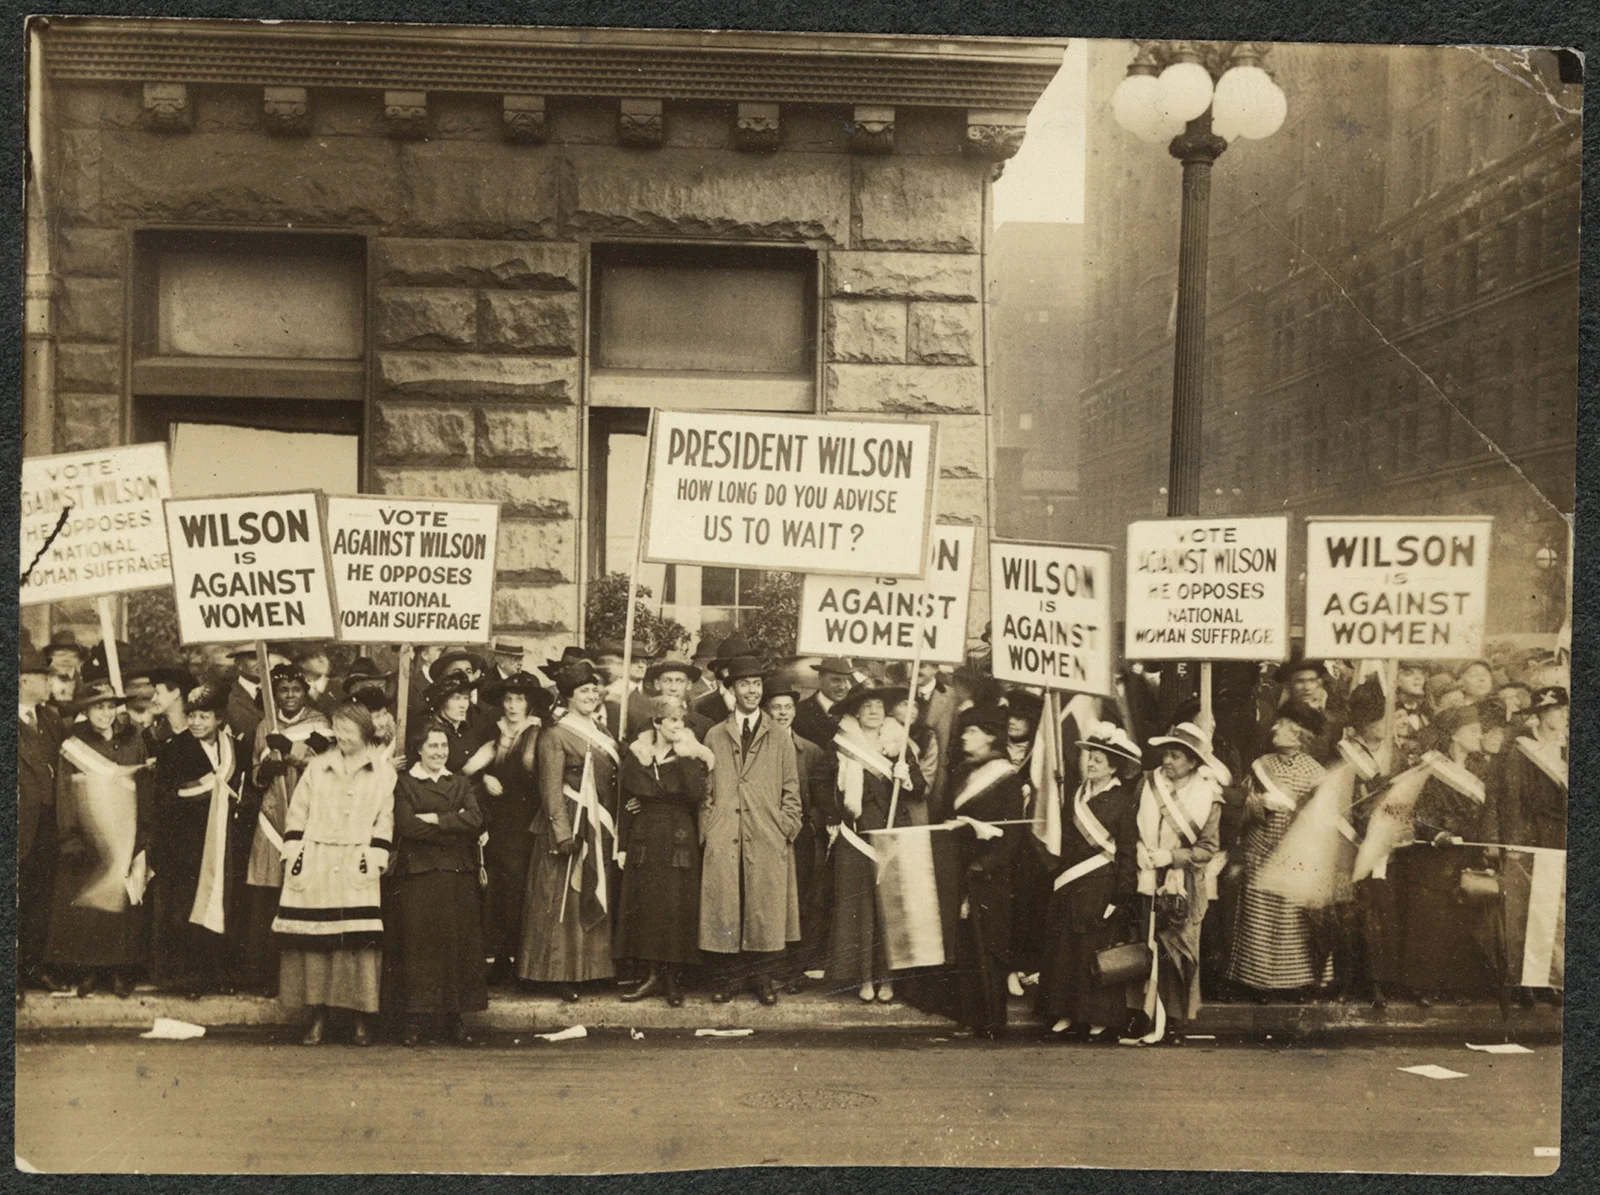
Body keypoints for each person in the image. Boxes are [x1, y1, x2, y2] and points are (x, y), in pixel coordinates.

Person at [272, 702, 397, 1047]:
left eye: (348, 729)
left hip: (357, 861)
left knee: (357, 945)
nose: (341, 736)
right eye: (337, 729)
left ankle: (361, 1018)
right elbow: (297, 813)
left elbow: (384, 818)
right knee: (316, 944)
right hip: (317, 859)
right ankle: (316, 1017)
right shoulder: (318, 766)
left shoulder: (384, 772)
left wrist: (375, 856)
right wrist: (293, 853)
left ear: (364, 731)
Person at [915, 701, 1027, 1038]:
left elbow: (1014, 833)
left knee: (988, 946)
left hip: (990, 871)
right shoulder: (962, 772)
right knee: (965, 945)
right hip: (960, 868)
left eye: (972, 731)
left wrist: (987, 860)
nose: (964, 736)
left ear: (990, 737)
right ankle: (969, 1016)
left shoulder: (1008, 778)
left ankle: (992, 1021)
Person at [700, 655, 803, 1005]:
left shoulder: (778, 735)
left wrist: (785, 828)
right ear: (730, 690)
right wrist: (709, 829)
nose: (752, 691)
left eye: (757, 684)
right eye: (744, 684)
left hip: (766, 834)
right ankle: (728, 980)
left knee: (762, 907)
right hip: (725, 832)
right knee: (728, 904)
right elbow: (706, 791)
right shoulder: (715, 734)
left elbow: (792, 789)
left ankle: (762, 979)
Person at [518, 657, 620, 1000]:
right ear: (568, 696)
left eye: (594, 689)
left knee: (591, 891)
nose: (591, 695)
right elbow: (549, 789)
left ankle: (590, 970)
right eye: (583, 691)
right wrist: (562, 834)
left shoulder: (603, 732)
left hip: (597, 821)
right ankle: (554, 973)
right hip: (566, 823)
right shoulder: (554, 735)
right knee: (560, 899)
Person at [45, 680, 154, 998]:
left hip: (127, 831)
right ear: (86, 711)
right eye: (98, 707)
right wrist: (69, 837)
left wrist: (145, 831)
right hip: (89, 833)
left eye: (110, 706)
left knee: (124, 901)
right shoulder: (74, 745)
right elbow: (65, 793)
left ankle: (119, 970)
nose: (105, 713)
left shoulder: (134, 739)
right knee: (92, 906)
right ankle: (91, 970)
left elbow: (145, 785)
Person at [1037, 722, 1143, 1042]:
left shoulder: (1123, 801)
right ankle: (1066, 1012)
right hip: (1072, 883)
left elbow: (1126, 850)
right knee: (1066, 951)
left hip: (1102, 885)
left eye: (1099, 759)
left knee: (1094, 952)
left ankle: (1098, 1017)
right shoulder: (1076, 795)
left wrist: (1122, 895)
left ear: (1113, 767)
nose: (1091, 763)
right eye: (1090, 757)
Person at [383, 725, 487, 1046]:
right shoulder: (405, 784)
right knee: (419, 947)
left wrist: (435, 820)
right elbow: (407, 825)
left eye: (443, 746)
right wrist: (452, 822)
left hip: (457, 875)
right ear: (419, 750)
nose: (439, 752)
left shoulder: (459, 782)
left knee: (456, 947)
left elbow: (476, 819)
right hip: (419, 875)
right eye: (432, 746)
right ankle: (414, 1019)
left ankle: (454, 1019)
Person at [1128, 721, 1229, 1046]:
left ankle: (1172, 1021)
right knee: (1144, 946)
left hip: (1183, 885)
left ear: (1193, 762)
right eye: (1166, 755)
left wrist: (1172, 857)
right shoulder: (1147, 784)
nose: (1167, 762)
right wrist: (1140, 851)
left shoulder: (1208, 797)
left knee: (1177, 952)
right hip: (1144, 876)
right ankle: (1143, 1016)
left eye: (1176, 756)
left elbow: (1207, 849)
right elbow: (1130, 826)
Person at [613, 696, 716, 1006]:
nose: (678, 726)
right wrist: (621, 845)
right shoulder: (638, 754)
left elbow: (696, 793)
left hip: (678, 835)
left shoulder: (692, 755)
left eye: (681, 721)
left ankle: (672, 978)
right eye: (672, 720)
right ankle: (652, 975)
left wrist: (685, 754)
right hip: (645, 835)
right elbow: (625, 796)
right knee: (647, 905)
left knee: (674, 905)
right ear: (657, 723)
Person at [827, 685, 923, 1003]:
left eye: (879, 705)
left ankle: (888, 979)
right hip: (856, 837)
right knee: (859, 910)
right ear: (856, 712)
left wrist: (905, 775)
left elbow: (920, 788)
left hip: (891, 834)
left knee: (888, 909)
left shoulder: (899, 743)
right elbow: (826, 791)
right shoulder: (840, 746)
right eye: (866, 706)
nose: (873, 711)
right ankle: (863, 978)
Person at [1226, 702, 1329, 999]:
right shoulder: (1261, 765)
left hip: (1296, 858)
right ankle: (1257, 983)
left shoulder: (1315, 772)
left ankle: (1295, 984)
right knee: (1259, 921)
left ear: (1299, 734)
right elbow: (1241, 807)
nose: (1275, 729)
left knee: (1292, 924)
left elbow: (1322, 820)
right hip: (1259, 853)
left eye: (1282, 725)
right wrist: (1257, 804)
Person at [241, 664, 332, 996]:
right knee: (267, 897)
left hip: (307, 816)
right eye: (283, 690)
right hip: (272, 816)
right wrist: (265, 768)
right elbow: (254, 771)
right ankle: (264, 975)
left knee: (302, 895)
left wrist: (292, 756)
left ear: (305, 691)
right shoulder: (266, 723)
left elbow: (325, 763)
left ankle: (301, 979)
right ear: (274, 694)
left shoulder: (320, 723)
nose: (290, 696)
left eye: (296, 689)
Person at [151, 681, 246, 997]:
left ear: (219, 718)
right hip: (188, 845)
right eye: (191, 715)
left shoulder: (235, 750)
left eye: (204, 716)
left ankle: (219, 971)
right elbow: (164, 801)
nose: (195, 722)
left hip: (224, 843)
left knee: (225, 904)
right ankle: (190, 977)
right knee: (188, 908)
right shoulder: (173, 751)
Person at [1401, 706, 1496, 1006]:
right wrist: (1435, 834)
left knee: (1463, 915)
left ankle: (1457, 984)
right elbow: (1413, 807)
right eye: (1472, 731)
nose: (1478, 736)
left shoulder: (1482, 768)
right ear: (1454, 735)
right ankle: (1423, 986)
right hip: (1435, 853)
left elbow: (1488, 810)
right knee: (1431, 918)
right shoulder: (1430, 765)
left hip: (1468, 850)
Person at [461, 672, 551, 985]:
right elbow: (467, 769)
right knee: (496, 887)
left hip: (526, 818)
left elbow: (543, 776)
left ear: (530, 703)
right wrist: (484, 779)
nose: (513, 705)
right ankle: (499, 958)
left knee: (519, 885)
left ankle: (520, 961)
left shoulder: (539, 732)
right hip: (496, 820)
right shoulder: (494, 732)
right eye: (509, 699)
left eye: (520, 699)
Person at [1495, 685, 1567, 1007]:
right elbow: (1512, 801)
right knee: (1526, 912)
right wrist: (1515, 843)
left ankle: (1552, 980)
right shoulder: (1521, 750)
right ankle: (1524, 982)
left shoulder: (1567, 749)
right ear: (1540, 714)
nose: (1565, 717)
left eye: (1565, 711)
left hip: (1562, 838)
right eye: (1557, 711)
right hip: (1532, 838)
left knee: (1557, 912)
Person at [763, 687, 832, 986]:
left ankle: (794, 969)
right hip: (764, 835)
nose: (782, 712)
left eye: (787, 707)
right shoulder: (757, 748)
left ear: (795, 711)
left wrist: (811, 823)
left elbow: (820, 797)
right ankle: (769, 966)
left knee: (799, 899)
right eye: (776, 707)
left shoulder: (811, 750)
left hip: (799, 837)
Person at [19, 646, 67, 993]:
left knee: (39, 899)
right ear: (23, 681)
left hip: (46, 825)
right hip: (17, 824)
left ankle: (32, 968)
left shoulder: (49, 719)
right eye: (44, 676)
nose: (51, 682)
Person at [914, 663, 958, 818]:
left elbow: (954, 735)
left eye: (922, 665)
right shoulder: (903, 691)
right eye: (913, 664)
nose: (916, 669)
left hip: (937, 768)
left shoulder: (950, 695)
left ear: (935, 669)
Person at [793, 657, 856, 750]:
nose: (842, 687)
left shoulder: (854, 710)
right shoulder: (799, 711)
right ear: (820, 677)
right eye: (836, 680)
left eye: (846, 680)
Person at [645, 660, 714, 741]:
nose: (673, 688)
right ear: (657, 684)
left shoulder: (704, 725)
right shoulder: (644, 721)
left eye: (679, 681)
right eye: (667, 681)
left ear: (688, 685)